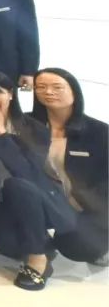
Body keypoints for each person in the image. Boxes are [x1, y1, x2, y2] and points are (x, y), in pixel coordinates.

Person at [0, 69, 76, 290]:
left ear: (11, 94)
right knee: (9, 246)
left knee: (17, 184)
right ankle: (39, 242)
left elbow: (27, 173)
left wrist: (1, 134)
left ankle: (38, 259)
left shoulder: (34, 129)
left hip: (31, 197)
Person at [30, 68, 107, 265]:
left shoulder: (98, 131)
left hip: (82, 206)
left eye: (57, 87)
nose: (48, 92)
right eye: (41, 87)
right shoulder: (26, 124)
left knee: (80, 247)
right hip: (40, 202)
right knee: (9, 242)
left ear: (74, 91)